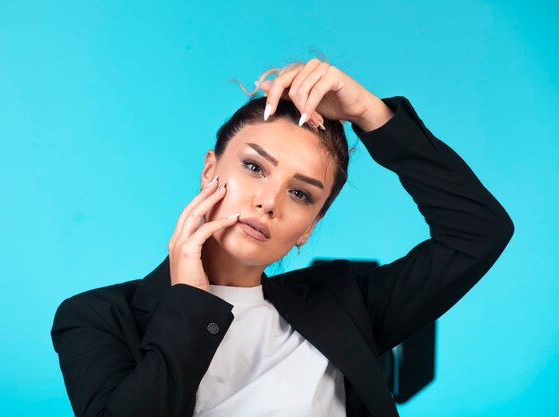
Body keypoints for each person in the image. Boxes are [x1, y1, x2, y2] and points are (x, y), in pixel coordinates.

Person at [50, 58, 514, 417]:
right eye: (254, 167)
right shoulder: (97, 317)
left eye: (300, 193)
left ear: (307, 228)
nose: (269, 201)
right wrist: (190, 301)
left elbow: (477, 233)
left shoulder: (346, 307)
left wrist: (371, 114)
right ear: (210, 170)